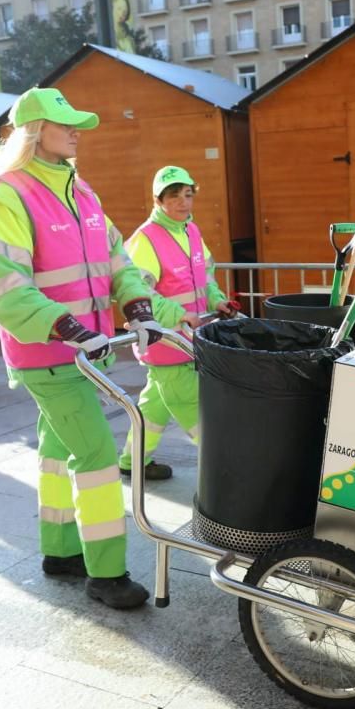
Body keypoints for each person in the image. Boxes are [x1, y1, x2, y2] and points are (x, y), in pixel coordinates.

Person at [0, 87, 168, 611]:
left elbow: (117, 258)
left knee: (58, 448)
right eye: (67, 124)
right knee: (98, 454)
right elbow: (7, 287)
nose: (78, 131)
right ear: (34, 131)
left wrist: (137, 305)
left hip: (84, 351)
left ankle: (59, 552)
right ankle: (107, 573)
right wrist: (68, 327)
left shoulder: (82, 192)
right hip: (49, 355)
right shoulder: (6, 196)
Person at [118, 166, 237, 480]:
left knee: (153, 407)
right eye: (174, 196)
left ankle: (132, 462)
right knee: (197, 412)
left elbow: (205, 278)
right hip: (168, 343)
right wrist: (175, 314)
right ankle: (230, 471)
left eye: (187, 194)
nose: (183, 202)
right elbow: (138, 291)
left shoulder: (190, 231)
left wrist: (217, 301)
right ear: (158, 200)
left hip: (188, 339)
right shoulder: (146, 239)